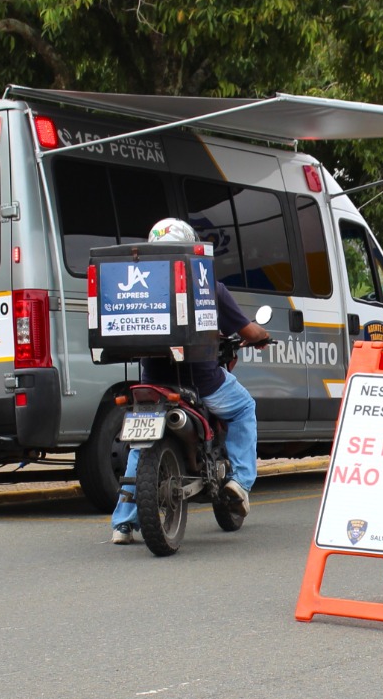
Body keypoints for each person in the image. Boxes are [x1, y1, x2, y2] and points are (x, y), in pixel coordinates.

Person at [109, 218, 270, 544]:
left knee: (140, 447)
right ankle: (240, 482)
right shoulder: (210, 286)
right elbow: (250, 333)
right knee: (244, 409)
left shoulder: (137, 286)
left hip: (152, 384)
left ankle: (123, 524)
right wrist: (262, 335)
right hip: (203, 385)